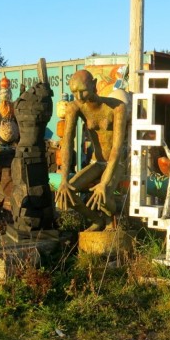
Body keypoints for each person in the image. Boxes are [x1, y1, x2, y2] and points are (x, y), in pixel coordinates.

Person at [55, 70, 128, 231]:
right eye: (74, 92)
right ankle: (96, 220)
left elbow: (116, 148)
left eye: (83, 91)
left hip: (116, 163)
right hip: (97, 161)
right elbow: (67, 142)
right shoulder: (75, 107)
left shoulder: (117, 107)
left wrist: (103, 183)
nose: (79, 96)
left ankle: (112, 218)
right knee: (66, 194)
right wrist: (64, 180)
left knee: (103, 196)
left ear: (94, 84)